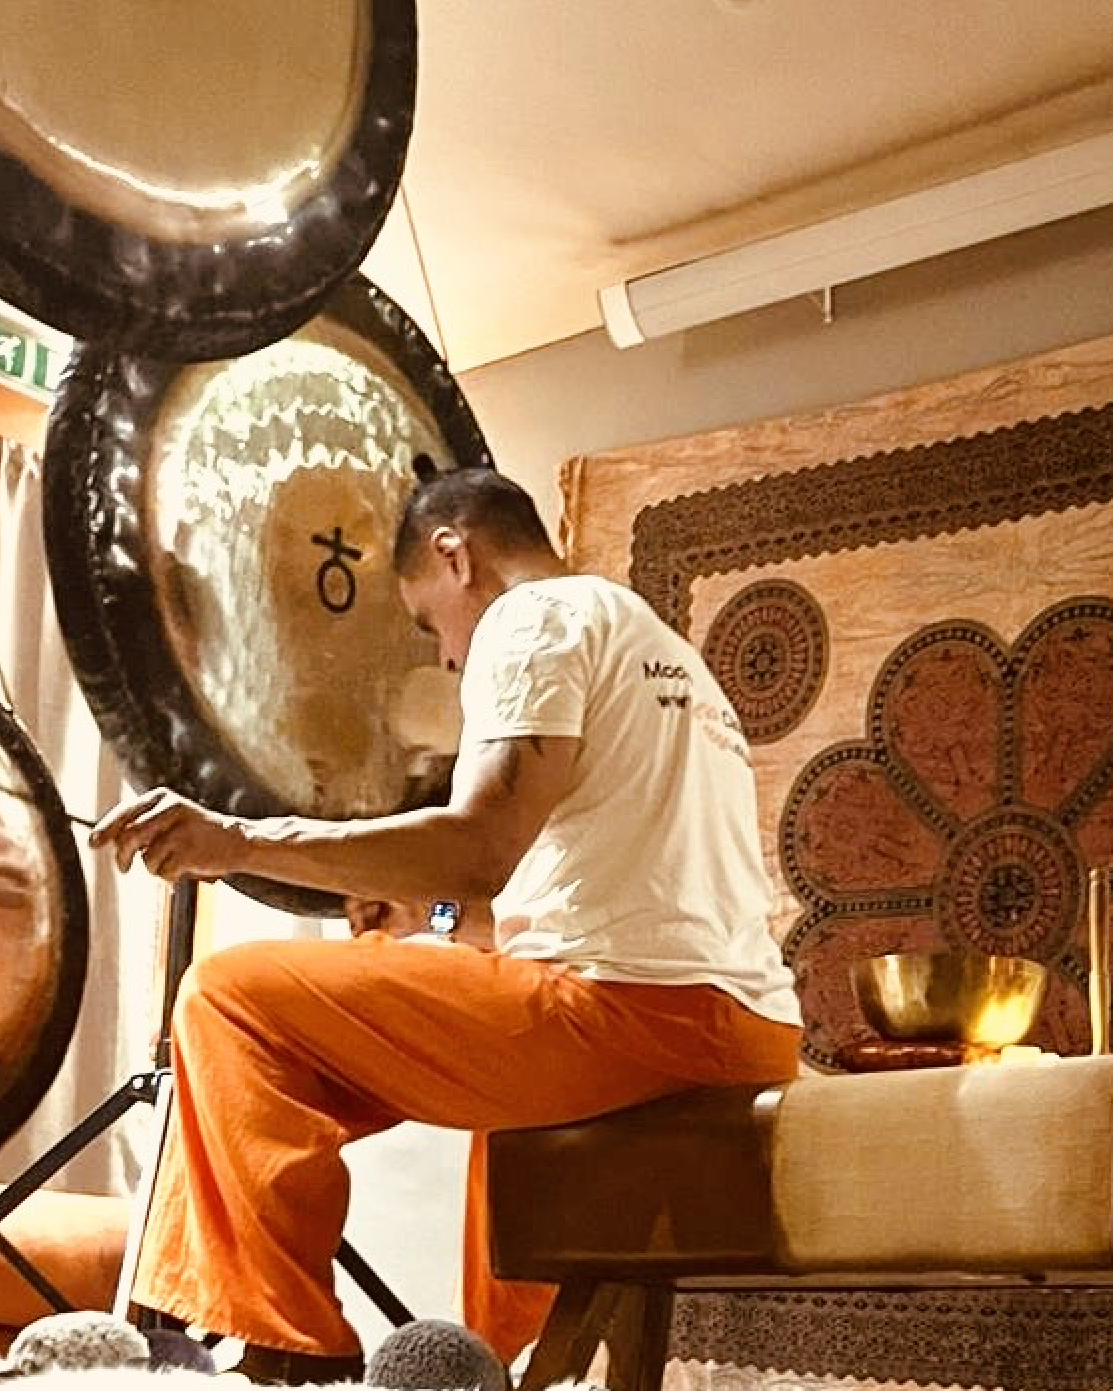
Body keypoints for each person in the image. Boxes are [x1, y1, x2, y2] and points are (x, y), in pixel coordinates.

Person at [88, 467, 804, 1383]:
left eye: (429, 624)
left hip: (630, 1017)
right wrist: (421, 917)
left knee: (229, 999)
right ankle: (499, 1368)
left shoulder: (531, 618)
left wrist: (240, 841)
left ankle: (290, 1352)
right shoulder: (660, 649)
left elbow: (477, 850)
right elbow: (507, 905)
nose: (447, 659)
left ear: (453, 553)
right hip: (740, 1028)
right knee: (480, 1103)